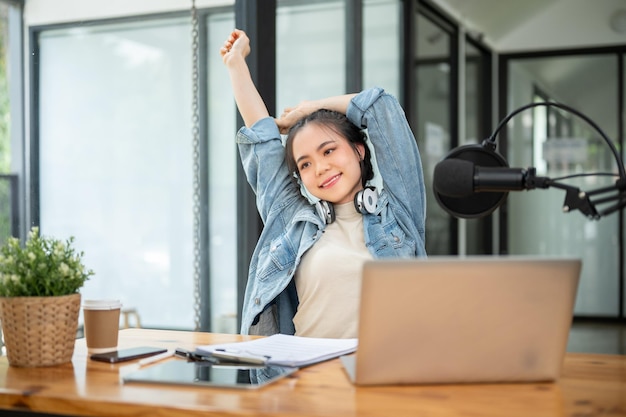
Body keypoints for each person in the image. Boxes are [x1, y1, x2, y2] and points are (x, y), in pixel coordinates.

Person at [221, 29, 427, 338]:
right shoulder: (294, 221)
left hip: (386, 372)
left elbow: (381, 108)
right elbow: (261, 137)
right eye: (305, 164)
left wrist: (311, 110)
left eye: (328, 150)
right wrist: (235, 64)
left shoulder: (399, 213)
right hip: (305, 375)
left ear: (359, 150)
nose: (320, 168)